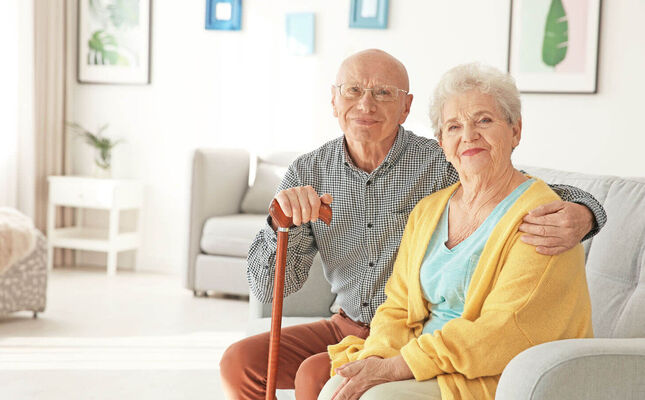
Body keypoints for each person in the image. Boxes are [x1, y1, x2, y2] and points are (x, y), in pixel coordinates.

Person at [219, 50, 605, 400]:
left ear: (406, 107)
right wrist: (280, 225)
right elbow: (270, 288)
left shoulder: (439, 159)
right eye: (353, 90)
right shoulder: (309, 171)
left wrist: (586, 212)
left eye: (383, 93)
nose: (365, 104)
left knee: (316, 377)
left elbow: (508, 189)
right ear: (334, 101)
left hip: (420, 327)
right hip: (350, 324)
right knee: (240, 364)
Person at [317, 62, 593, 400]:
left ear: (515, 131)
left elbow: (501, 331)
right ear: (442, 143)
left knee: (376, 398)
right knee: (338, 387)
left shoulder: (543, 218)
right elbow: (397, 306)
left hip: (490, 373)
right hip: (423, 361)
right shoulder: (429, 210)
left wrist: (396, 367)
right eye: (453, 126)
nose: (469, 135)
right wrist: (377, 358)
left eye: (484, 120)